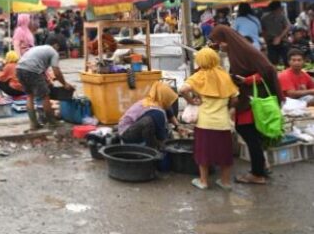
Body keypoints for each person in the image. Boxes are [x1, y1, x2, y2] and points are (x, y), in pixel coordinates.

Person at [210, 25, 283, 185]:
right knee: (253, 134)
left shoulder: (247, 51)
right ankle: (262, 167)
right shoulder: (237, 51)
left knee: (247, 131)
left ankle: (257, 174)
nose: (220, 45)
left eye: (220, 42)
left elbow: (268, 70)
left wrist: (247, 80)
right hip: (247, 98)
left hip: (253, 99)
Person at [180, 47, 239, 191]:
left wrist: (191, 101)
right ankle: (225, 182)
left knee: (203, 153)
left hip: (205, 123)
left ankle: (204, 181)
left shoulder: (199, 76)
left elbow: (182, 90)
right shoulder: (224, 75)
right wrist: (229, 107)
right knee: (225, 154)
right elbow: (235, 98)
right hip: (223, 123)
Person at [15, 39, 74, 130]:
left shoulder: (40, 48)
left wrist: (46, 81)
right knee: (45, 96)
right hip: (32, 70)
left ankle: (33, 124)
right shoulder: (54, 53)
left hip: (19, 69)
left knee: (30, 96)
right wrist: (65, 84)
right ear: (56, 46)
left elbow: (40, 68)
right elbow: (57, 72)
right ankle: (52, 122)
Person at [118, 82, 180, 149]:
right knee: (149, 122)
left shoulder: (155, 101)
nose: (169, 104)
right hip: (127, 134)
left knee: (165, 128)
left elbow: (169, 111)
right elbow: (161, 136)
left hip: (132, 129)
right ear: (165, 98)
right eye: (168, 100)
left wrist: (178, 127)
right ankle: (151, 151)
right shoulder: (157, 111)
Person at [261, 1, 290, 66]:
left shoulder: (264, 17)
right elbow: (288, 26)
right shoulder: (281, 15)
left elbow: (263, 31)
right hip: (277, 41)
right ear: (279, 8)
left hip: (276, 41)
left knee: (275, 62)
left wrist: (267, 40)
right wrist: (279, 38)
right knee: (284, 61)